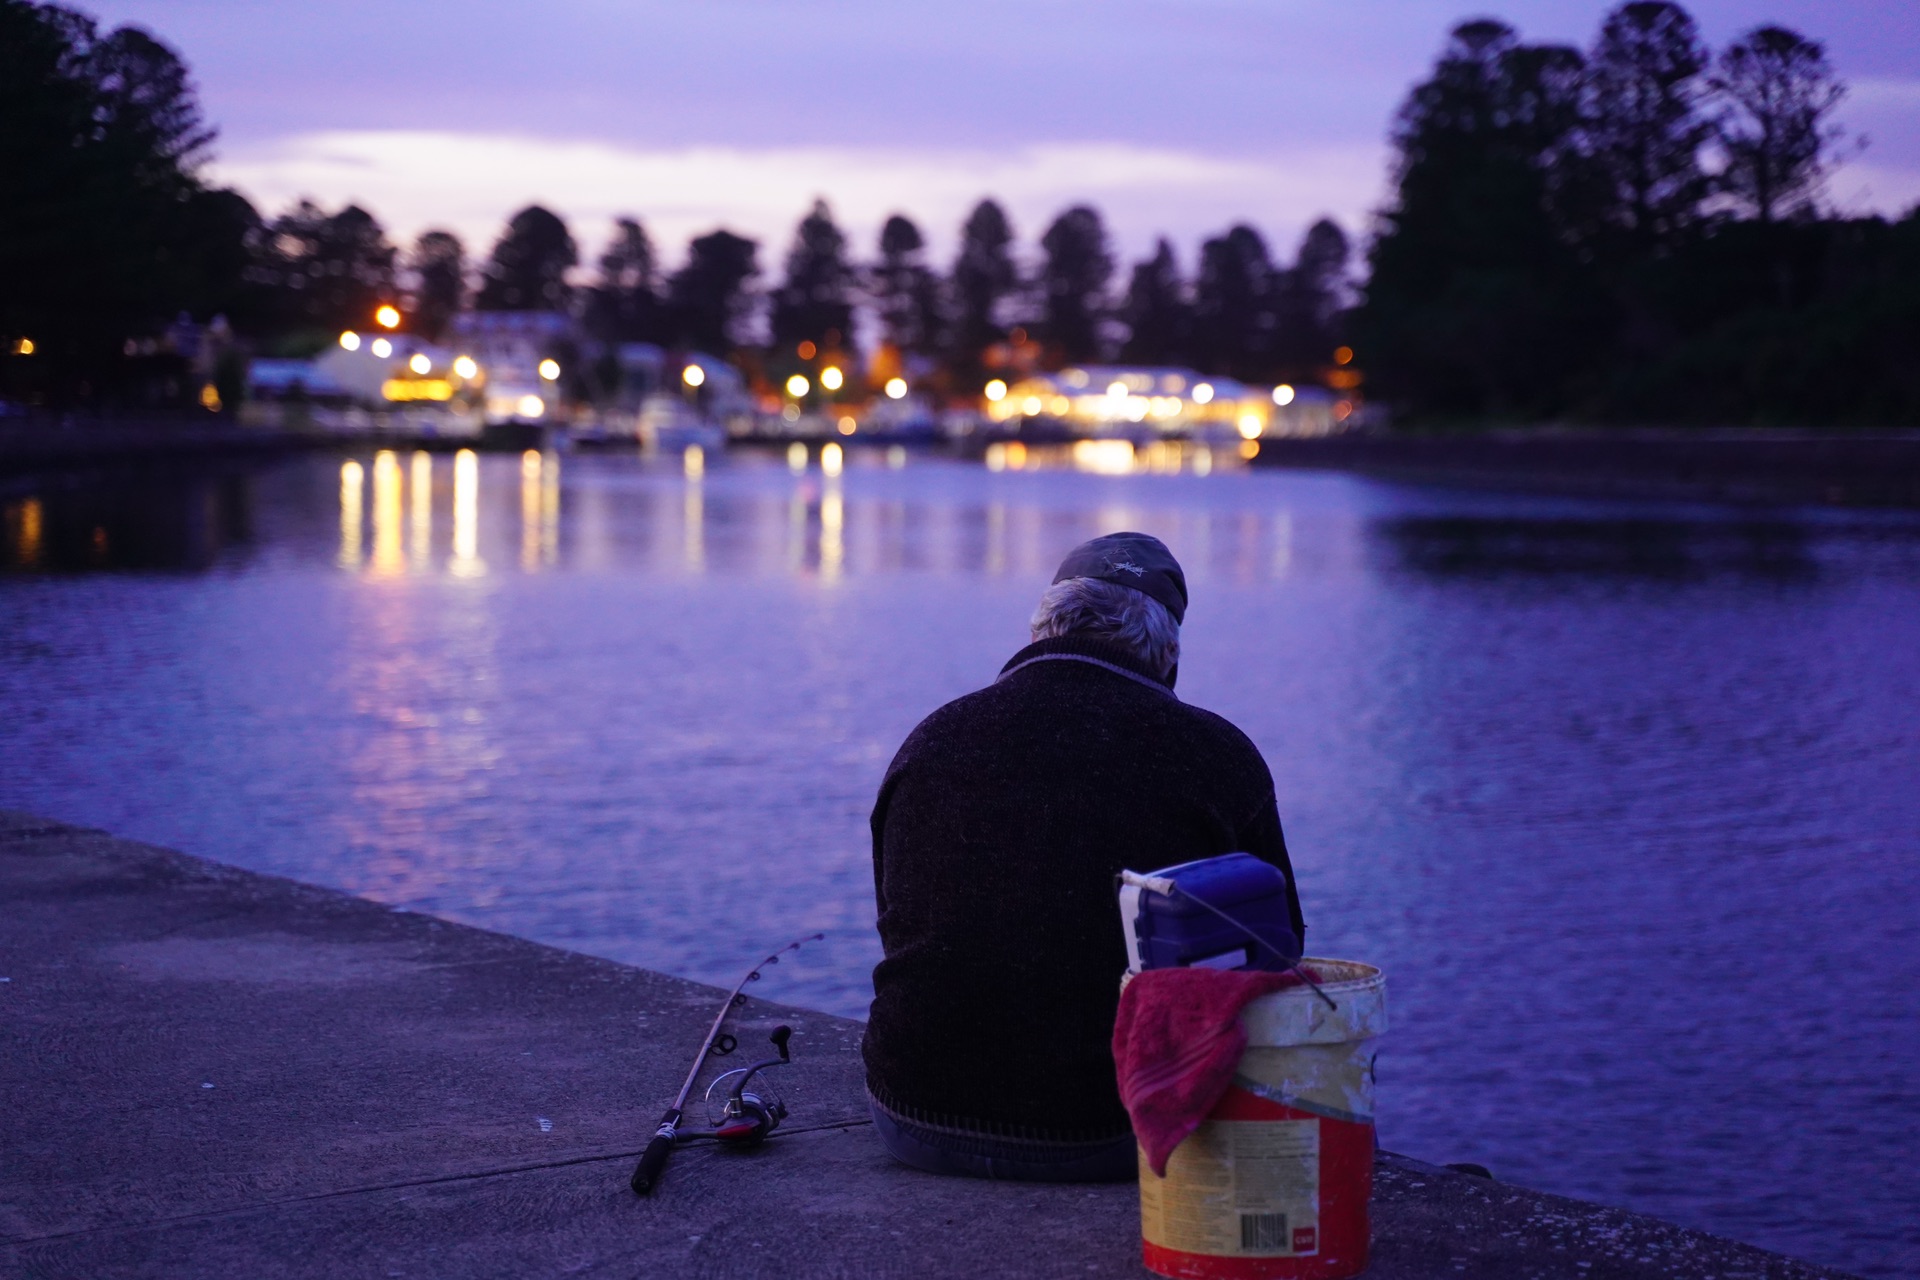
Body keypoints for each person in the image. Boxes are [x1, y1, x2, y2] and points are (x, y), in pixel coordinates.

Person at [862, 531, 1306, 1181]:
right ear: (1169, 654)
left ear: (1041, 628)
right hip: (1117, 1131)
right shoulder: (1215, 756)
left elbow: (896, 918)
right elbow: (1279, 946)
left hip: (911, 1115)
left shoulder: (932, 739)